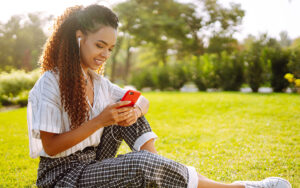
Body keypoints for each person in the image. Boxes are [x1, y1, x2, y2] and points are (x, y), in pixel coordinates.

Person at [27, 4, 292, 188]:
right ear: (78, 38)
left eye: (110, 48)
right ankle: (238, 187)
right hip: (62, 177)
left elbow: (142, 99)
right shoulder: (50, 83)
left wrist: (135, 109)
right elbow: (50, 147)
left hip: (93, 162)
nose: (105, 55)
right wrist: (100, 121)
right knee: (139, 164)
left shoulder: (97, 81)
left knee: (128, 106)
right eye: (99, 45)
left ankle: (158, 171)